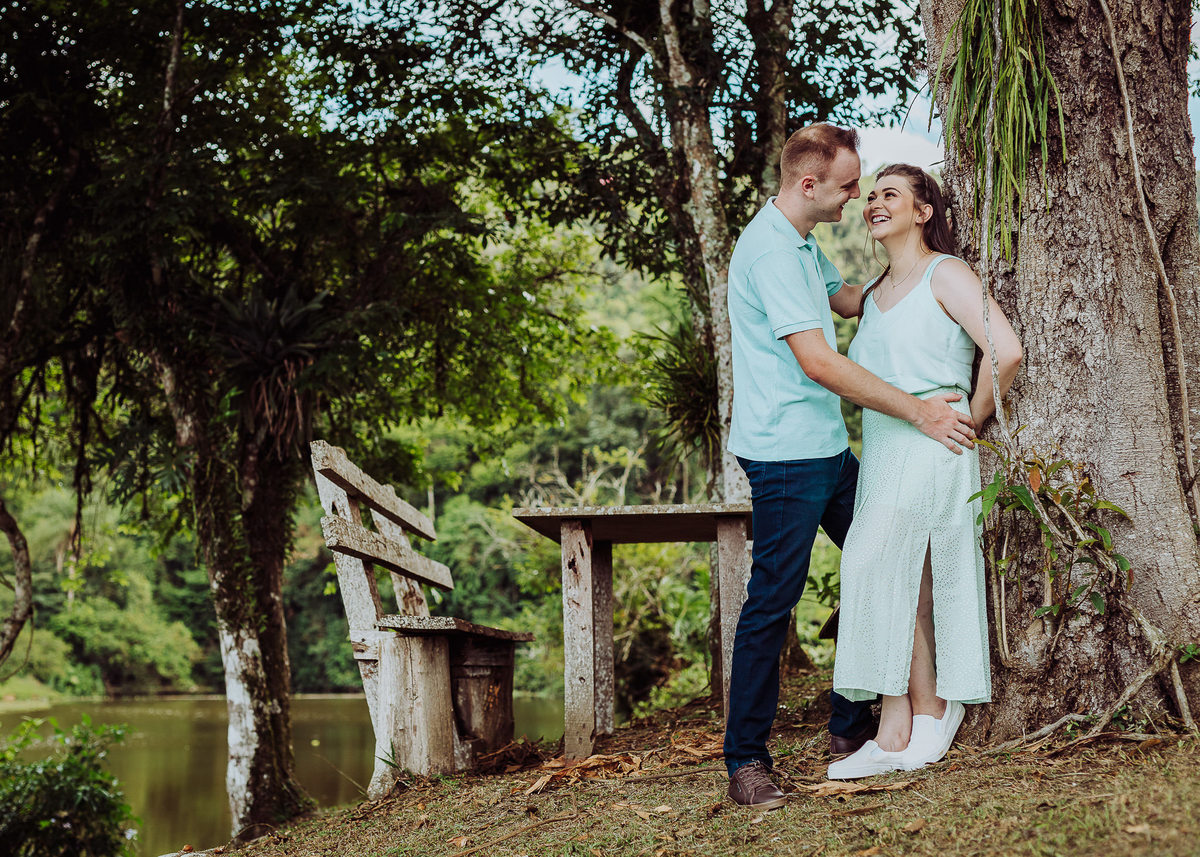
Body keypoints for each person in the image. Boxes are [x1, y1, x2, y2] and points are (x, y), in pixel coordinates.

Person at [723, 127, 978, 810]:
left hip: (828, 447)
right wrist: (920, 410)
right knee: (774, 599)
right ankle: (745, 759)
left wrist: (916, 276)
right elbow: (822, 361)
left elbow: (845, 299)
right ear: (810, 185)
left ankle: (850, 723)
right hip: (785, 452)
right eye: (847, 187)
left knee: (875, 561)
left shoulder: (803, 244)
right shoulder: (772, 252)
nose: (855, 198)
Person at [827, 164, 1022, 780]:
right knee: (888, 571)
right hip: (884, 443)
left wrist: (971, 419)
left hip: (936, 438)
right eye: (872, 196)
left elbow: (1005, 350)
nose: (876, 204)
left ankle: (931, 710)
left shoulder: (947, 272)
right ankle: (896, 718)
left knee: (885, 564)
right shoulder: (873, 294)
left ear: (923, 211)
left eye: (891, 195)